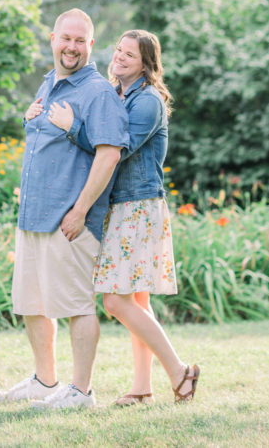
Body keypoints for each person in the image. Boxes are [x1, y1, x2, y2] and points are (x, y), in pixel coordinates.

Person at [47, 29, 200, 405]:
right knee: (138, 301)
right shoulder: (118, 94)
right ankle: (142, 388)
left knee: (115, 301)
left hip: (139, 207)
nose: (119, 57)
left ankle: (180, 371)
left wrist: (72, 128)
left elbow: (115, 148)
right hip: (122, 205)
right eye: (118, 50)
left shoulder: (147, 101)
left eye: (130, 54)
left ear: (147, 62)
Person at [0, 8, 129, 410]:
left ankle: (82, 392)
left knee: (75, 305)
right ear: (53, 39)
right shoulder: (49, 83)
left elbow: (109, 154)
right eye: (65, 38)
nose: (71, 47)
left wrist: (80, 209)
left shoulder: (97, 92)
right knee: (33, 303)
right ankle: (44, 381)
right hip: (34, 215)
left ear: (90, 45)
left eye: (80, 40)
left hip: (68, 220)